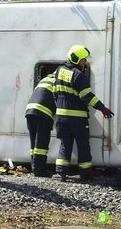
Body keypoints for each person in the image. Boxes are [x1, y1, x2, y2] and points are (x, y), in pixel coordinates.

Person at [51, 45, 113, 181]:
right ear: (76, 59)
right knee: (83, 144)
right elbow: (87, 96)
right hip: (77, 118)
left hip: (61, 117)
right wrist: (102, 108)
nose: (85, 63)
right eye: (83, 60)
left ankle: (61, 173)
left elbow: (55, 92)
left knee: (65, 143)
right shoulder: (79, 75)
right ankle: (85, 174)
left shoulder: (59, 71)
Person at [24, 73, 56, 177]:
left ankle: (34, 167)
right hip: (43, 112)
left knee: (34, 142)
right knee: (41, 142)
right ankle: (39, 170)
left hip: (30, 110)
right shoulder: (58, 81)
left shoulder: (45, 79)